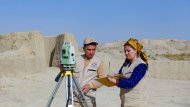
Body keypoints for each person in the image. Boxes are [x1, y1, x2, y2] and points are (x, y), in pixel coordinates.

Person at [108, 38, 148, 107]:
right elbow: (120, 74)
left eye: (128, 51)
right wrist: (113, 77)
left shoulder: (141, 65)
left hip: (136, 103)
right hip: (125, 102)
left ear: (135, 51)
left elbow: (131, 82)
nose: (126, 53)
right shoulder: (126, 64)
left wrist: (116, 81)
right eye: (125, 51)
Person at [73, 37, 106, 107]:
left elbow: (103, 80)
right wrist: (61, 67)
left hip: (89, 100)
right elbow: (68, 75)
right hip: (74, 99)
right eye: (89, 49)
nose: (91, 52)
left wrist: (90, 86)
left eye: (93, 50)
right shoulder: (75, 60)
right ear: (83, 49)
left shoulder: (100, 62)